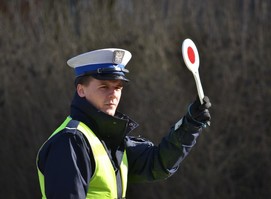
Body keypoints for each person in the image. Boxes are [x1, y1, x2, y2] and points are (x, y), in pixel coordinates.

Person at [36, 48, 212, 199]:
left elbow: (158, 163)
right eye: (104, 87)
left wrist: (190, 123)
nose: (113, 94)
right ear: (81, 90)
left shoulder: (109, 139)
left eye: (118, 87)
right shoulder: (71, 142)